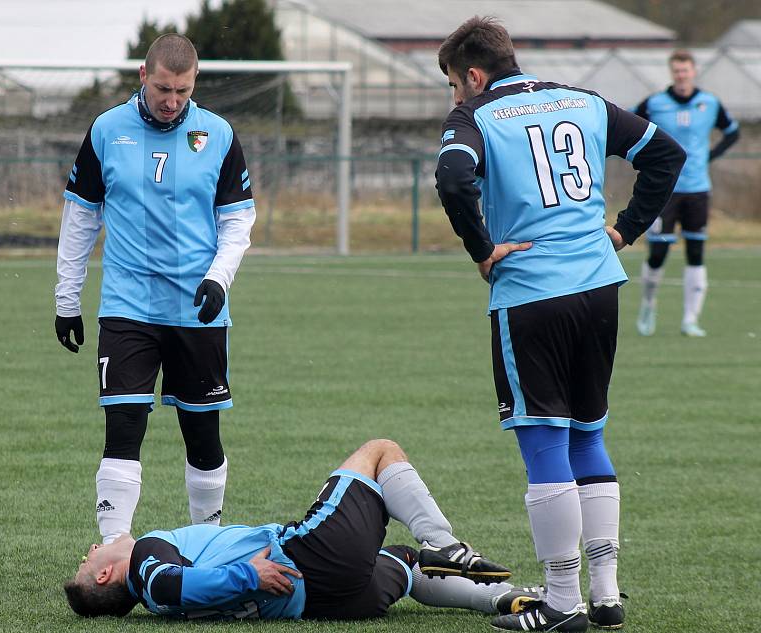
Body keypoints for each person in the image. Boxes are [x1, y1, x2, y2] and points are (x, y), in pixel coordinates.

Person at [435, 17, 685, 632]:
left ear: (473, 73)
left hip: (532, 294)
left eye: (452, 85)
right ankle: (604, 595)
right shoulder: (583, 99)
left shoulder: (477, 116)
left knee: (544, 440)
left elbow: (451, 177)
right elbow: (664, 154)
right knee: (588, 434)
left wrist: (482, 250)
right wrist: (625, 229)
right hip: (599, 287)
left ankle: (560, 602)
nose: (453, 98)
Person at [54, 34, 256, 544]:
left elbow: (238, 219)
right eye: (163, 89)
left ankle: (204, 544)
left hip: (198, 311)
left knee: (203, 436)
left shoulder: (219, 134)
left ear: (195, 84)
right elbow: (81, 216)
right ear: (143, 76)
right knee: (122, 427)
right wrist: (67, 299)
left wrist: (218, 278)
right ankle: (115, 548)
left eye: (182, 92)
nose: (171, 101)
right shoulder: (106, 130)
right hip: (127, 308)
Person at [64, 438, 542, 621]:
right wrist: (248, 576)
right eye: (90, 560)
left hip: (326, 601)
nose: (92, 548)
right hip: (306, 559)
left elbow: (177, 590)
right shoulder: (147, 562)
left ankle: (499, 599)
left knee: (405, 561)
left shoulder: (156, 601)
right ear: (107, 577)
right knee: (379, 452)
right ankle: (447, 543)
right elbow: (169, 583)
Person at [633, 49, 740, 337]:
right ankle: (648, 304)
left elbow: (732, 131)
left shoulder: (709, 103)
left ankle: (690, 320)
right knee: (658, 253)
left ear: (694, 72)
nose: (682, 75)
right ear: (672, 72)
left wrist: (711, 155)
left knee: (696, 252)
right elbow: (629, 130)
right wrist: (647, 162)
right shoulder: (654, 104)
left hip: (698, 189)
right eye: (677, 71)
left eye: (686, 70)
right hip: (664, 191)